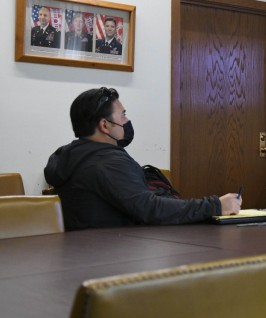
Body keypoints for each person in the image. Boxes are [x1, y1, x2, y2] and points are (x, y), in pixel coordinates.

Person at [44, 87, 241, 230]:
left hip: (82, 252)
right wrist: (215, 205)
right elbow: (149, 208)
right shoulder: (108, 162)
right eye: (122, 115)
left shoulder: (69, 156)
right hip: (112, 256)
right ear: (105, 125)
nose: (127, 121)